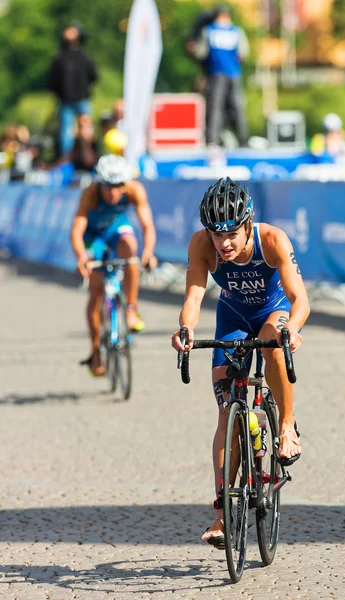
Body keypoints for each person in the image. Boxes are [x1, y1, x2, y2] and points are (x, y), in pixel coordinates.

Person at [171, 177, 310, 546]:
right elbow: (195, 296)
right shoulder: (202, 245)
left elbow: (300, 299)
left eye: (232, 232)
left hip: (273, 311)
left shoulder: (273, 240)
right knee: (226, 413)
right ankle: (221, 514)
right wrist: (185, 330)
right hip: (231, 317)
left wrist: (292, 328)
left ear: (248, 223)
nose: (225, 242)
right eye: (217, 235)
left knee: (273, 345)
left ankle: (287, 426)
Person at [71, 154, 157, 376]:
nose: (112, 192)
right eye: (108, 186)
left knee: (131, 252)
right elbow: (77, 229)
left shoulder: (134, 190)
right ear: (100, 183)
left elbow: (147, 225)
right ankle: (95, 351)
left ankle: (131, 309)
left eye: (118, 186)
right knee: (96, 292)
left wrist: (148, 253)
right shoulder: (90, 193)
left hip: (117, 229)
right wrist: (81, 257)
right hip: (94, 237)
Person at [193, 5, 249, 147]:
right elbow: (243, 54)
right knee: (237, 106)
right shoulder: (236, 31)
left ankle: (212, 139)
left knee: (215, 107)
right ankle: (242, 139)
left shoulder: (209, 31)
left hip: (216, 73)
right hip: (234, 73)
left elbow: (201, 52)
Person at [48, 23, 98, 157]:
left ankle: (86, 155)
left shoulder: (69, 58)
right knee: (70, 129)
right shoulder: (67, 58)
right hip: (70, 99)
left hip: (75, 98)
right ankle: (68, 157)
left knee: (79, 128)